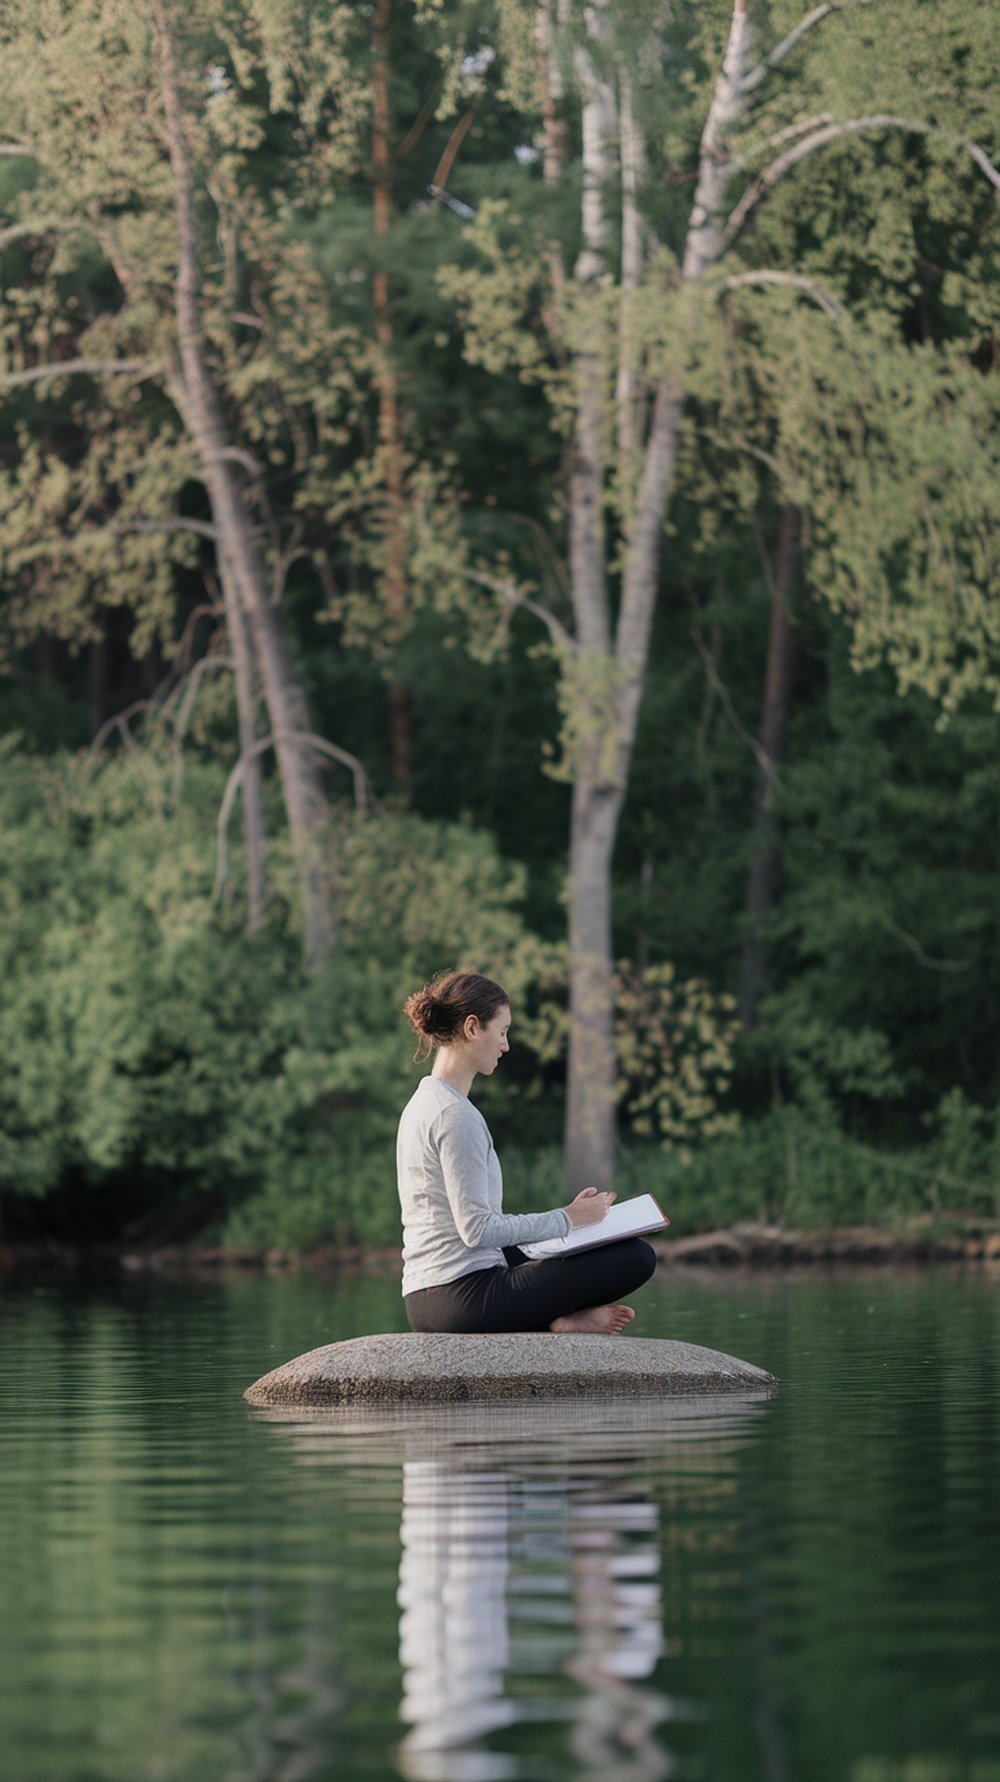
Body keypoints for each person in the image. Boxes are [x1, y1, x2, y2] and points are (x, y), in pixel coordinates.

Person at [397, 970, 656, 1335]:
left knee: (576, 1248)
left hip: (428, 1297)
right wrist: (567, 1219)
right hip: (459, 1298)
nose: (506, 1046)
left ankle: (559, 1319)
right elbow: (477, 1229)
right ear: (472, 1028)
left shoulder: (423, 1103)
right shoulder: (454, 1115)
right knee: (636, 1257)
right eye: (502, 1032)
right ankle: (558, 1323)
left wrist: (570, 1226)